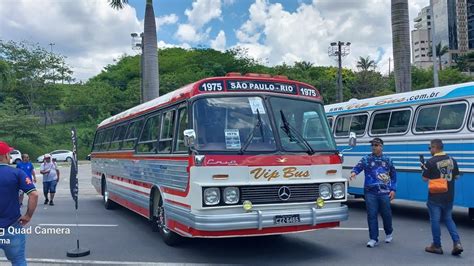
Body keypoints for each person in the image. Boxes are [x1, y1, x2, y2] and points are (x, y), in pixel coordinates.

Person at [350, 137, 397, 248]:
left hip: (384, 192)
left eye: (376, 145)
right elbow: (358, 167)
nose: (374, 147)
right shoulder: (367, 159)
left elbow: (394, 176)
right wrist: (353, 173)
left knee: (386, 214)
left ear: (381, 147)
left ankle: (389, 232)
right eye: (372, 145)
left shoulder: (388, 160)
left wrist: (393, 189)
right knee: (371, 215)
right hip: (370, 191)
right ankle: (373, 238)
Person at [422, 139, 463, 255]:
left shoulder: (430, 162)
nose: (430, 150)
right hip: (449, 196)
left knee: (435, 220)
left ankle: (437, 245)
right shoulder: (452, 160)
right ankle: (457, 243)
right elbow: (457, 177)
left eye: (430, 148)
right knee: (448, 219)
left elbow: (424, 179)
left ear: (435, 147)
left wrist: (424, 169)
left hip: (435, 197)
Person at [0, 141, 39, 266]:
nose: (11, 157)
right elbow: (34, 194)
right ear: (5, 155)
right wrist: (28, 216)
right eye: (9, 154)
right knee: (18, 262)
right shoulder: (16, 173)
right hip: (11, 228)